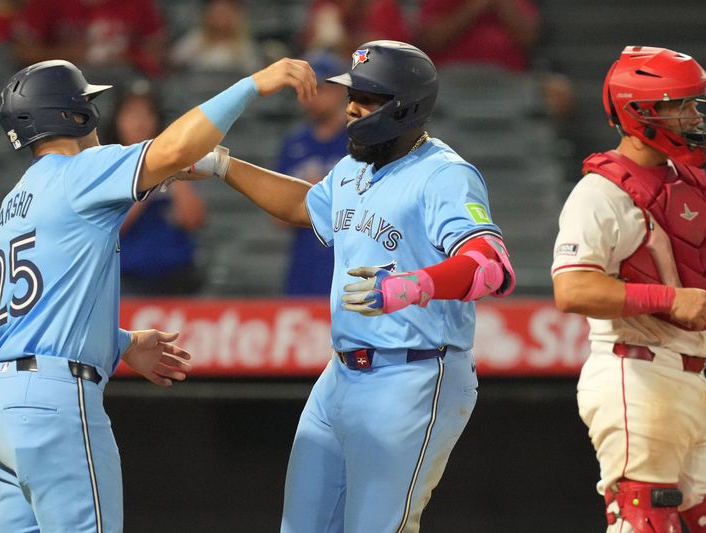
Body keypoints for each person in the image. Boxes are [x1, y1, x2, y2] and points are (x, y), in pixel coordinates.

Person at [0, 57, 316, 532]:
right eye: (87, 102)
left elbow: (44, 309)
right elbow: (175, 150)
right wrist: (254, 83)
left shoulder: (14, 201)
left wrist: (122, 343)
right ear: (73, 114)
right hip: (54, 407)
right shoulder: (79, 171)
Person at [219, 40, 516, 532]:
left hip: (414, 374)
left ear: (406, 105)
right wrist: (223, 167)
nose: (353, 107)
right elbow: (306, 206)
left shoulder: (444, 175)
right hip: (339, 375)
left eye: (369, 98)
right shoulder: (356, 166)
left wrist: (407, 287)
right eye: (353, 94)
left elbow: (491, 266)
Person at [551, 45, 706, 531]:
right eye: (682, 105)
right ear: (642, 112)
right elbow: (573, 289)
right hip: (635, 373)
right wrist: (669, 301)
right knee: (645, 521)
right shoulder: (600, 192)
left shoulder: (682, 179)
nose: (695, 116)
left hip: (695, 376)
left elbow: (689, 280)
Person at [107, 80, 207, 295]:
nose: (139, 122)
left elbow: (193, 219)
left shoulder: (173, 160)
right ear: (117, 121)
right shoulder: (107, 164)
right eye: (131, 114)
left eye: (146, 114)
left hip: (176, 275)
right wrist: (148, 180)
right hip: (126, 278)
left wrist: (172, 167)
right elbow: (110, 226)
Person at [275, 51, 348, 295]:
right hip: (305, 264)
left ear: (340, 90)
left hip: (351, 259)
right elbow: (278, 217)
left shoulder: (362, 139)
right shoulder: (294, 143)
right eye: (307, 87)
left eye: (321, 87)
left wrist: (320, 194)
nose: (313, 94)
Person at [11, 0, 167, 77]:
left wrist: (125, 56)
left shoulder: (138, 3)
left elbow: (157, 53)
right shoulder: (47, 3)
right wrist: (71, 54)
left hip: (123, 82)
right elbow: (23, 52)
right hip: (61, 82)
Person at [169, 0, 263, 73]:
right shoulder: (196, 40)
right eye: (217, 13)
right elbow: (174, 62)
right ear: (208, 16)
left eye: (224, 14)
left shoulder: (244, 46)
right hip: (198, 92)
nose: (220, 19)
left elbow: (254, 71)